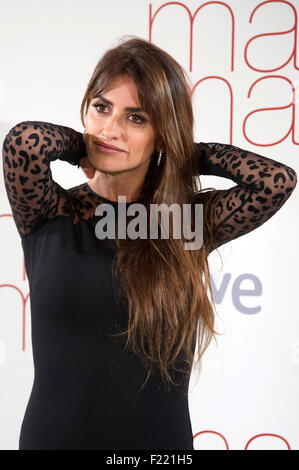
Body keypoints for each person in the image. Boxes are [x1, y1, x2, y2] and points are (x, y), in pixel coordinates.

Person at [2, 36, 297, 451]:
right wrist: (82, 146)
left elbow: (275, 181)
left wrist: (183, 154)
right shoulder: (50, 211)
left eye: (136, 118)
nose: (111, 130)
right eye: (102, 108)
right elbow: (23, 141)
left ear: (161, 135)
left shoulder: (185, 222)